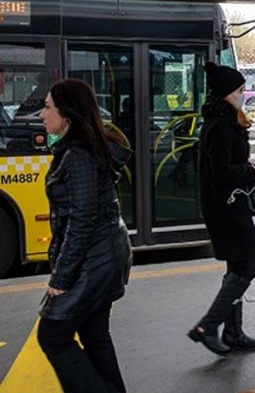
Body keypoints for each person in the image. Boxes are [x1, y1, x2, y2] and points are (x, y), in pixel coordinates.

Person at [37, 79, 133, 393]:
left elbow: (82, 219)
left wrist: (61, 278)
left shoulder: (77, 155)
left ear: (68, 114)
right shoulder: (79, 149)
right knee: (94, 334)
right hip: (105, 254)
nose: (42, 114)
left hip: (95, 259)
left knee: (52, 335)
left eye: (48, 107)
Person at [188, 62, 255, 355]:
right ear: (226, 93)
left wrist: (248, 168)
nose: (244, 94)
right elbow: (221, 171)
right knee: (251, 263)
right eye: (240, 90)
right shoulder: (220, 125)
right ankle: (208, 326)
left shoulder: (223, 120)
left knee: (237, 266)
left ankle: (233, 332)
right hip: (226, 207)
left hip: (227, 204)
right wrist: (252, 173)